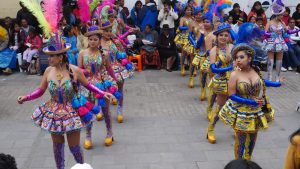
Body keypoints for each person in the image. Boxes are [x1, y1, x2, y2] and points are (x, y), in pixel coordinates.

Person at [17, 32, 114, 169]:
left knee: (74, 148)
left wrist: (103, 92)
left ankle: (82, 166)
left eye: (52, 56)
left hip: (72, 112)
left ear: (61, 57)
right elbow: (40, 90)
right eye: (49, 55)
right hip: (54, 112)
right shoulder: (48, 71)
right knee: (57, 148)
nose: (49, 59)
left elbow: (88, 85)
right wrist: (26, 97)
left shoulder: (74, 70)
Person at [219, 43, 282, 160]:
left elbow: (262, 82)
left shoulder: (256, 70)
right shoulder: (234, 74)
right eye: (236, 58)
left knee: (253, 138)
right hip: (241, 111)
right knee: (241, 140)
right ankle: (238, 164)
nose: (238, 60)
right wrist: (249, 102)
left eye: (241, 57)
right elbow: (231, 95)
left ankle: (248, 160)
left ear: (249, 58)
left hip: (255, 111)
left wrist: (277, 83)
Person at [78, 26, 119, 148]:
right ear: (88, 40)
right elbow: (79, 70)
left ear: (99, 40)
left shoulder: (104, 54)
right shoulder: (82, 53)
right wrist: (86, 72)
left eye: (95, 39)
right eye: (90, 39)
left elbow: (109, 68)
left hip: (102, 85)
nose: (92, 42)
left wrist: (115, 79)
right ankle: (88, 135)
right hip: (87, 85)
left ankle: (109, 133)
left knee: (105, 110)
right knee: (88, 111)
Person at [100, 20, 134, 123]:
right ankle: (103, 110)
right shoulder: (98, 43)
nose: (108, 33)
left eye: (110, 30)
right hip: (104, 70)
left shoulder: (115, 41)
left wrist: (121, 48)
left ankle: (119, 109)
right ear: (101, 31)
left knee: (120, 89)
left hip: (117, 68)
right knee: (104, 91)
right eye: (106, 31)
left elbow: (122, 55)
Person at [206, 23, 234, 144]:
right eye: (221, 35)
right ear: (217, 37)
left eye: (226, 35)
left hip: (233, 80)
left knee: (235, 105)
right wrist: (226, 69)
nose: (223, 37)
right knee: (220, 107)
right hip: (222, 81)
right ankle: (210, 130)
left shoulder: (232, 47)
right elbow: (213, 69)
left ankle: (235, 127)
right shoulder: (214, 50)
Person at [263, 0, 289, 82]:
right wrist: (270, 34)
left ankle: (277, 78)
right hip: (271, 42)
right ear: (276, 14)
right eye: (281, 15)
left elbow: (285, 32)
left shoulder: (282, 23)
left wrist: (286, 31)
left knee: (279, 61)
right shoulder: (269, 23)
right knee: (270, 61)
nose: (282, 16)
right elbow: (264, 33)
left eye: (282, 14)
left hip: (280, 42)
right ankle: (269, 78)